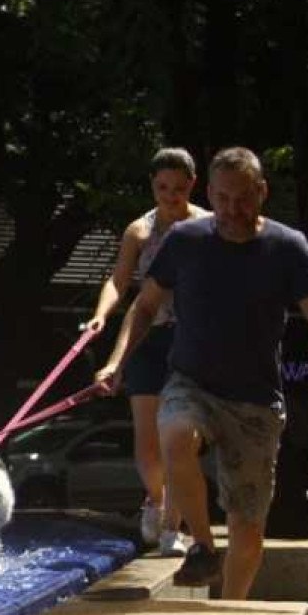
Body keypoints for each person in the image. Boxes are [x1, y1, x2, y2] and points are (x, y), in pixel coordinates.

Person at [93, 147, 308, 600]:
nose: (233, 211)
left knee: (248, 529)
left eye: (244, 199)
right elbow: (146, 305)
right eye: (224, 199)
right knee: (174, 434)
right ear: (209, 193)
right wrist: (116, 362)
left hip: (255, 400)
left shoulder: (287, 246)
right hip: (191, 381)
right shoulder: (186, 240)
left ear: (262, 192)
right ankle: (203, 547)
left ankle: (232, 608)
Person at [84, 147, 213, 553]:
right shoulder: (139, 231)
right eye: (162, 188)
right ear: (152, 187)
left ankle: (172, 530)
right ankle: (154, 502)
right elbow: (119, 282)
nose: (170, 196)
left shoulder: (208, 227)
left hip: (191, 339)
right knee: (148, 441)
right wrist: (101, 315)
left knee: (181, 437)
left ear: (192, 185)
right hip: (147, 335)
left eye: (178, 188)